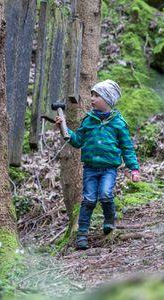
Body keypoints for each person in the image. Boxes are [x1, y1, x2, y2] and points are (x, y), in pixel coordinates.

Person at [55, 79, 140, 250]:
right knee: (89, 199)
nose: (92, 99)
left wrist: (134, 168)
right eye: (92, 95)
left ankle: (109, 220)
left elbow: (127, 147)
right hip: (90, 169)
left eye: (97, 96)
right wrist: (63, 129)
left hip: (109, 169)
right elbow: (78, 141)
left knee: (106, 193)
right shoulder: (89, 120)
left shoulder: (118, 123)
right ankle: (82, 235)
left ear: (108, 99)